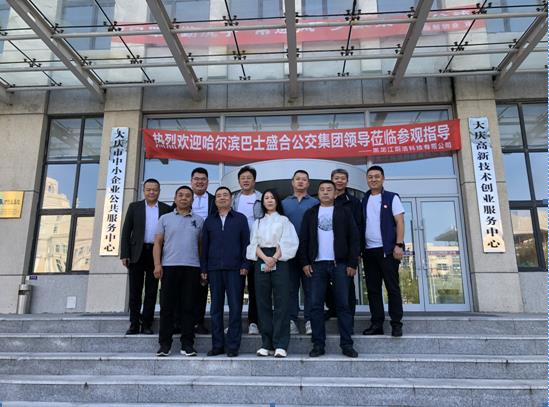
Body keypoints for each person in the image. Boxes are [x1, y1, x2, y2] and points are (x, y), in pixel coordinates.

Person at [299, 181, 360, 358]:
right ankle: (318, 344)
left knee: (343, 305)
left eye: (329, 190)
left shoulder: (344, 212)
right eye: (322, 190)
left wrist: (352, 263)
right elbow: (303, 240)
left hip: (339, 265)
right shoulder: (311, 213)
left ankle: (347, 344)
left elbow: (354, 239)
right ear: (318, 194)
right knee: (316, 306)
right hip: (316, 265)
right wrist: (305, 262)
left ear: (335, 194)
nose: (325, 192)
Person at [247, 189, 299, 358]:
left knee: (282, 301)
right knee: (262, 302)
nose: (269, 200)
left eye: (272, 198)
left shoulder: (284, 220)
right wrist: (265, 259)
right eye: (266, 198)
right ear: (262, 202)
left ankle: (281, 344)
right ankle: (266, 343)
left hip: (280, 259)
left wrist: (274, 259)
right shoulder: (257, 222)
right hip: (261, 259)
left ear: (277, 201)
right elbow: (253, 244)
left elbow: (289, 242)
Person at [153, 186, 204, 357]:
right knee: (167, 307)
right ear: (175, 199)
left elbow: (201, 246)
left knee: (189, 307)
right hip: (169, 267)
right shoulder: (165, 218)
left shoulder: (199, 220)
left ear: (192, 200)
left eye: (188, 196)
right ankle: (164, 344)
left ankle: (187, 344)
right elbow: (158, 243)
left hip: (192, 268)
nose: (184, 198)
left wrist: (202, 268)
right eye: (180, 195)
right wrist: (157, 265)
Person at [201, 187, 250, 357]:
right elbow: (204, 246)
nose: (222, 198)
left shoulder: (240, 219)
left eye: (225, 195)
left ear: (231, 199)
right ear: (215, 200)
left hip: (235, 269)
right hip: (214, 269)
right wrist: (204, 268)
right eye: (219, 196)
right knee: (215, 309)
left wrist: (245, 264)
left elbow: (246, 243)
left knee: (235, 308)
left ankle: (233, 346)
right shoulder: (209, 221)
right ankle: (218, 345)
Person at [120, 178, 171, 335]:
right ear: (144, 191)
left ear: (159, 191)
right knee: (135, 291)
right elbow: (126, 231)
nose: (151, 192)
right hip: (137, 253)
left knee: (151, 290)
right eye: (148, 189)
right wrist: (125, 254)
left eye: (155, 189)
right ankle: (134, 323)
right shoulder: (134, 207)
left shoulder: (166, 209)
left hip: (156, 253)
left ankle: (147, 324)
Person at [362, 165, 405, 337]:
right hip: (369, 251)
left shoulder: (392, 197)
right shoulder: (364, 199)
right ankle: (377, 324)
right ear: (367, 179)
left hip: (388, 251)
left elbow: (400, 221)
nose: (373, 179)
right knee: (373, 290)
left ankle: (396, 324)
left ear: (383, 178)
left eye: (377, 176)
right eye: (370, 177)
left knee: (392, 288)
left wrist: (399, 245)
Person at [281, 170, 319, 335]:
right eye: (298, 179)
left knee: (310, 288)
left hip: (309, 252)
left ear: (308, 183)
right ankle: (292, 320)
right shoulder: (283, 203)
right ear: (292, 182)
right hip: (289, 252)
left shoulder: (316, 202)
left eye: (304, 179)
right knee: (290, 288)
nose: (301, 182)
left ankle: (310, 320)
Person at [325, 168, 363, 324]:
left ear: (347, 181)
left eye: (342, 178)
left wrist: (357, 252)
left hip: (346, 252)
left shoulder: (353, 202)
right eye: (336, 178)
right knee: (326, 283)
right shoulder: (325, 199)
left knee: (347, 286)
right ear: (331, 180)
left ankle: (348, 318)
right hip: (326, 251)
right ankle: (332, 309)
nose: (339, 181)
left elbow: (359, 228)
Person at [232, 165, 262, 335]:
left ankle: (254, 322)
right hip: (237, 248)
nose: (245, 180)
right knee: (235, 288)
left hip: (257, 247)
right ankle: (235, 323)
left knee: (255, 288)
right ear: (239, 181)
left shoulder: (261, 198)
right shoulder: (233, 199)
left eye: (249, 178)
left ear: (254, 181)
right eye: (242, 178)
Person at [190, 167, 216, 335]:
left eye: (203, 179)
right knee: (188, 287)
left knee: (203, 286)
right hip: (188, 248)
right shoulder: (183, 198)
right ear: (191, 181)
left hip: (210, 249)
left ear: (207, 182)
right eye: (196, 179)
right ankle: (185, 321)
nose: (200, 182)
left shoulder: (214, 200)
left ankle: (199, 321)